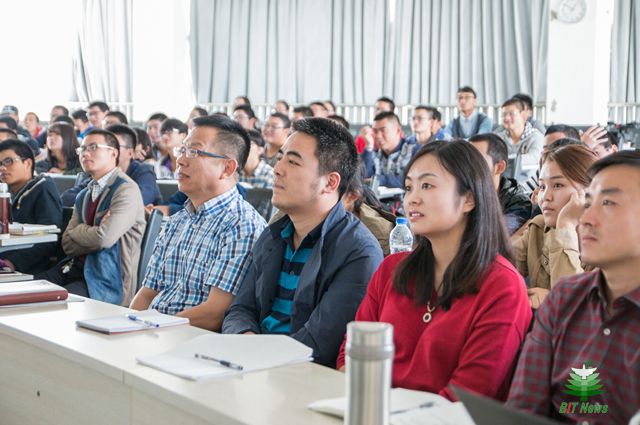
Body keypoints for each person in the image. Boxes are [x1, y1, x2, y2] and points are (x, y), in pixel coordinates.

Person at [337, 141, 532, 401]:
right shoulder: (392, 270)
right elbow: (351, 355)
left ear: (469, 199)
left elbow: (467, 397)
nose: (412, 198)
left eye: (427, 185)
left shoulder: (502, 286)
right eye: (409, 187)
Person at [222, 118, 384, 367]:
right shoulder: (273, 235)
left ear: (330, 183)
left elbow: (318, 344)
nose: (277, 169)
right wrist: (247, 342)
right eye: (280, 158)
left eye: (293, 162)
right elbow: (239, 311)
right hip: (252, 364)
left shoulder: (358, 252)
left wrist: (256, 355)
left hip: (300, 375)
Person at [507, 151, 640, 425]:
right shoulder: (566, 296)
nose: (586, 217)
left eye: (608, 203)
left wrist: (566, 228)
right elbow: (523, 408)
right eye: (588, 203)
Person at [130, 115, 266, 331]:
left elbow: (214, 314)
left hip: (190, 339)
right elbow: (146, 294)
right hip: (154, 331)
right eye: (182, 150)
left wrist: (151, 329)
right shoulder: (177, 221)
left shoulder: (242, 225)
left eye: (194, 152)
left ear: (227, 168)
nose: (181, 160)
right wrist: (128, 326)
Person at [35, 129, 145, 305]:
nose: (85, 153)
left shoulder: (126, 190)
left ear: (113, 153)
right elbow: (67, 243)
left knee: (51, 304)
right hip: (71, 269)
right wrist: (93, 232)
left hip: (105, 281)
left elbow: (104, 238)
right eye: (82, 149)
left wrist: (79, 231)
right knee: (27, 289)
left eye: (93, 147)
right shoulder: (84, 195)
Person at [513, 144, 597, 308]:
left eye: (557, 185)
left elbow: (572, 307)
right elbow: (495, 273)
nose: (545, 196)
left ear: (590, 191)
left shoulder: (612, 249)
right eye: (542, 186)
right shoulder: (539, 228)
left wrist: (565, 226)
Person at [0, 139, 62, 274]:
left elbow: (49, 240)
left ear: (27, 163)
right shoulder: (4, 193)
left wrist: (12, 263)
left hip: (24, 268)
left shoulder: (43, 188)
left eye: (8, 161)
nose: (2, 168)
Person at [469, 133, 532, 234]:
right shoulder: (461, 192)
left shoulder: (518, 201)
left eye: (477, 161)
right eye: (466, 160)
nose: (468, 166)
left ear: (499, 167)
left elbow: (497, 236)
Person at [494, 97, 544, 184]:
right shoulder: (498, 138)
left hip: (528, 185)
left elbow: (535, 158)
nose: (506, 118)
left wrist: (511, 160)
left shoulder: (536, 137)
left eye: (511, 114)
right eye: (504, 114)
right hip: (503, 184)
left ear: (524, 116)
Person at [362, 111, 418, 188]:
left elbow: (413, 179)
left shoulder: (414, 150)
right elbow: (364, 177)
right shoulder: (374, 153)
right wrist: (368, 147)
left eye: (383, 130)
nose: (378, 136)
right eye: (375, 131)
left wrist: (380, 180)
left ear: (398, 130)